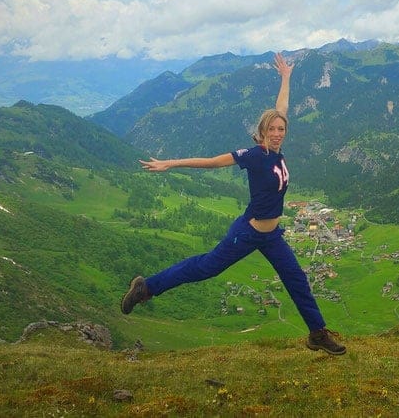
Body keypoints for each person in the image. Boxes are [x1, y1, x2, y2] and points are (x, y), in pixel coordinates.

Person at [121, 52, 346, 356]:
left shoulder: (277, 150)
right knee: (206, 267)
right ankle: (146, 288)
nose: (278, 134)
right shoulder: (254, 155)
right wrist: (170, 164)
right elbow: (213, 162)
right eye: (273, 130)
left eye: (282, 130)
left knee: (296, 280)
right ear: (262, 132)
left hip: (272, 235)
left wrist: (286, 77)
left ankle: (318, 334)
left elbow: (281, 109)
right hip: (249, 232)